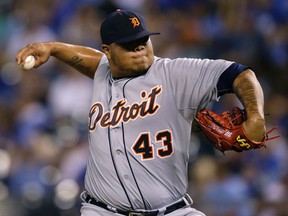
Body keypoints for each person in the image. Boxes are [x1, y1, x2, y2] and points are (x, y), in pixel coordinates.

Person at [16, 9, 266, 216]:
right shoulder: (104, 71)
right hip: (103, 211)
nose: (140, 49)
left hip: (172, 211)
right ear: (108, 50)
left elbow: (240, 73)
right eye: (129, 45)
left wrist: (255, 116)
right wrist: (52, 47)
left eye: (143, 40)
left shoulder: (176, 74)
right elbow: (90, 59)